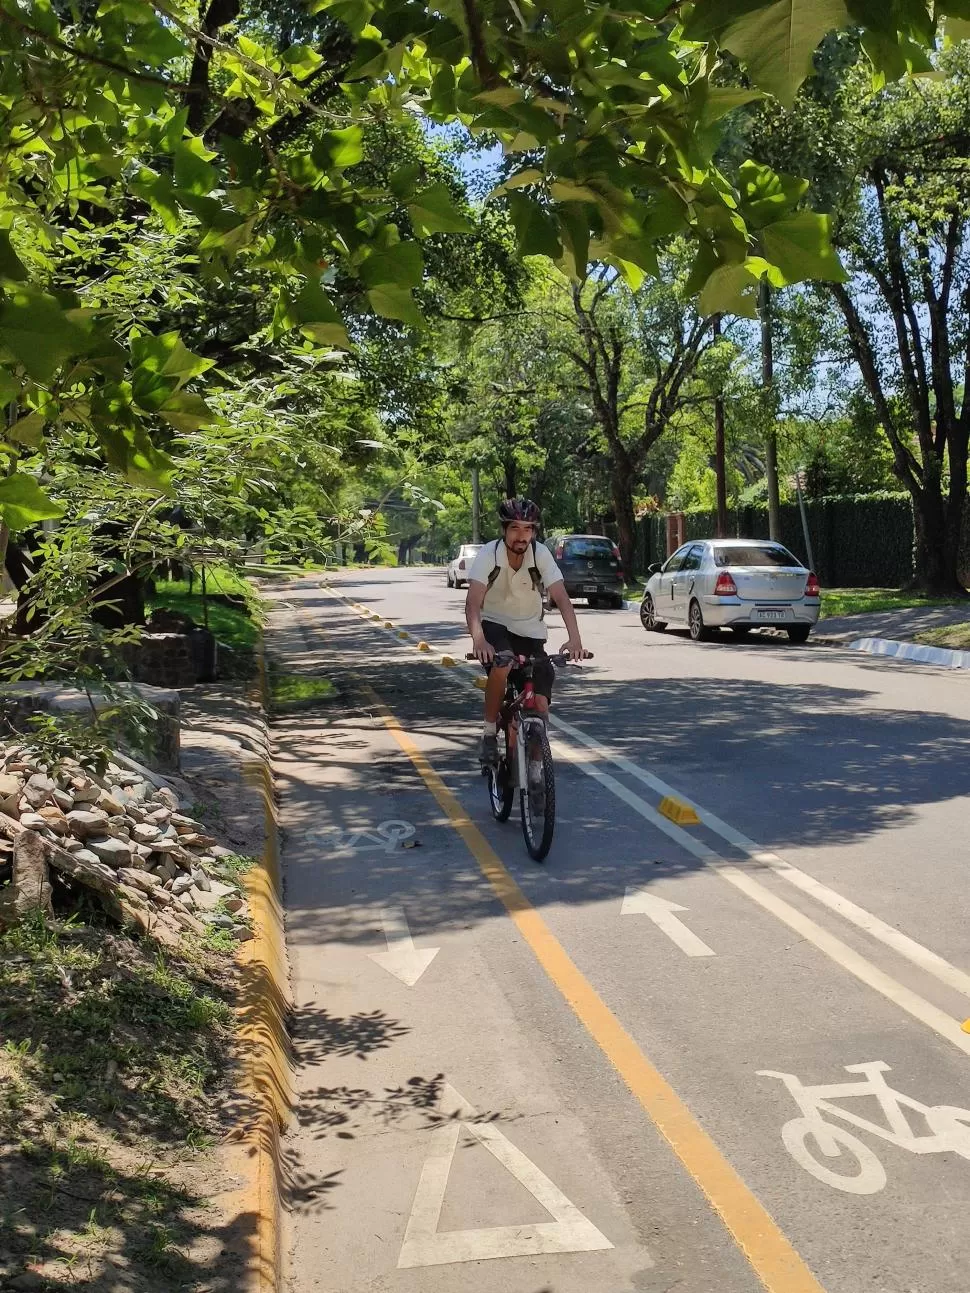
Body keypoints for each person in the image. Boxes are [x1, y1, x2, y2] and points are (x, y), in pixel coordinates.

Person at [465, 498, 586, 767]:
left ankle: (534, 769)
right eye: (516, 528)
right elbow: (473, 602)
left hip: (531, 632)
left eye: (528, 529)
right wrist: (479, 639)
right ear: (505, 530)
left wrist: (575, 638)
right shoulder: (489, 554)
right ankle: (487, 733)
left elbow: (562, 597)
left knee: (540, 703)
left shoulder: (539, 554)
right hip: (495, 626)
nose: (522, 536)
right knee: (503, 662)